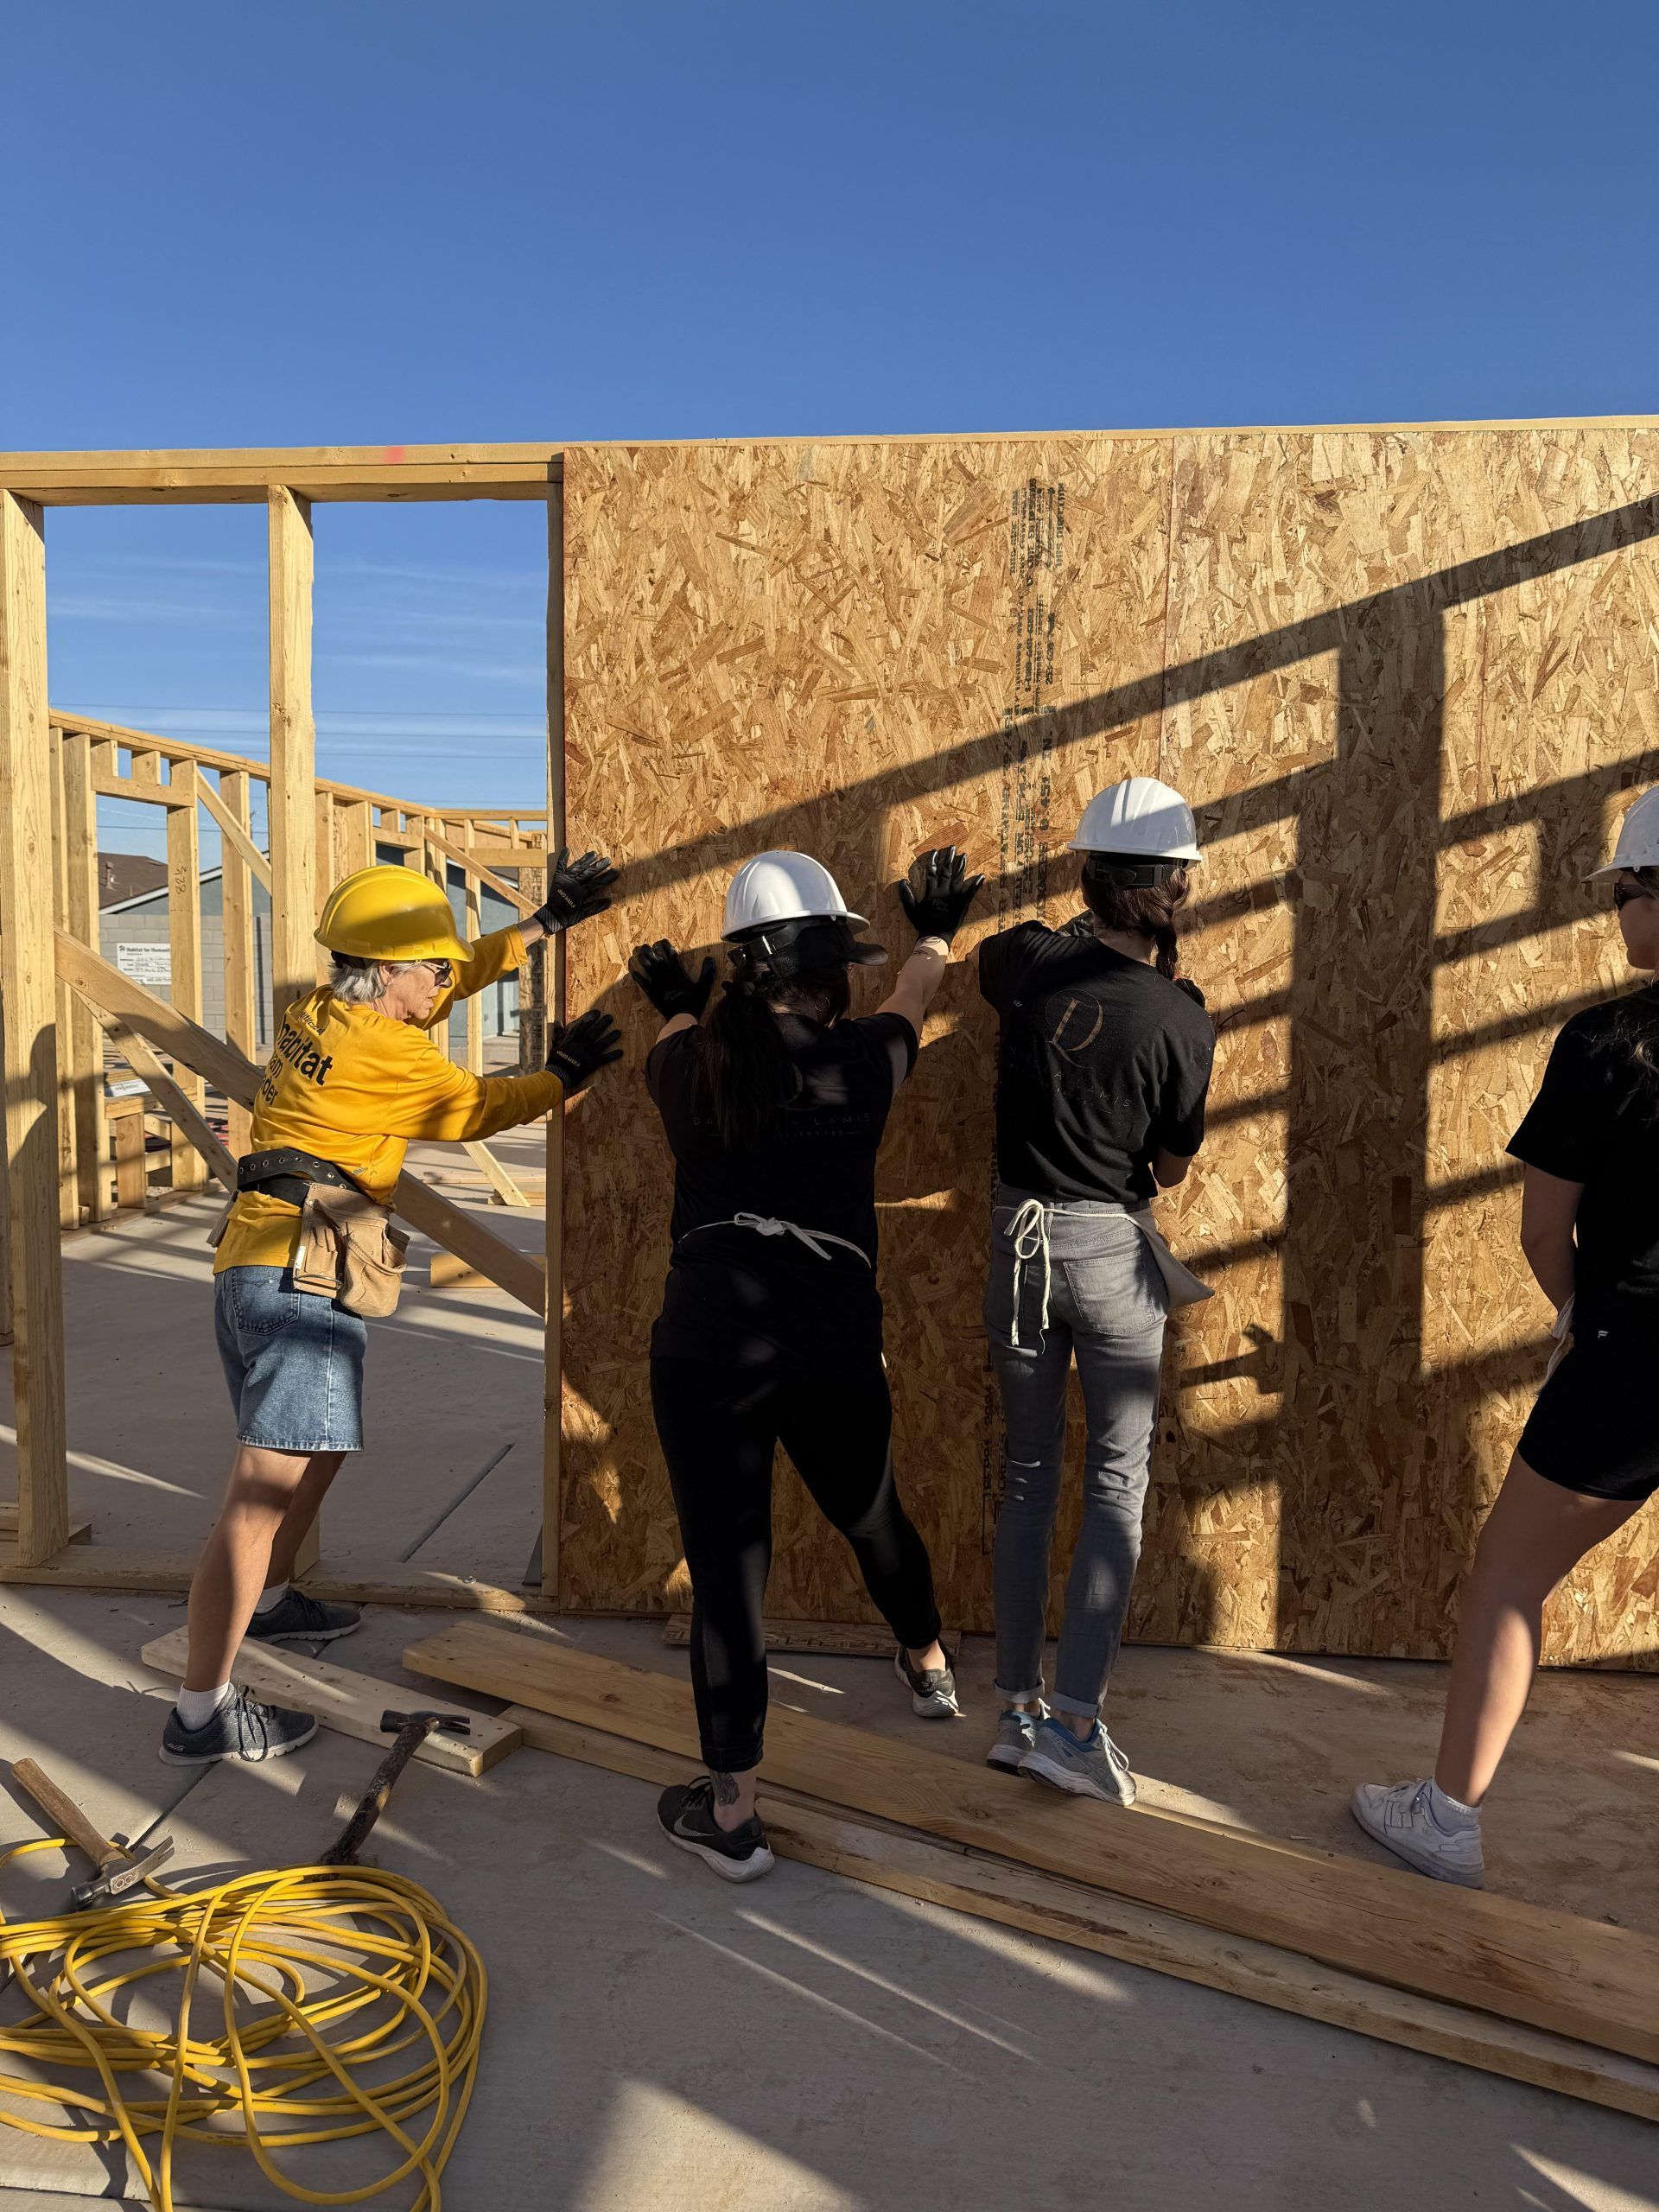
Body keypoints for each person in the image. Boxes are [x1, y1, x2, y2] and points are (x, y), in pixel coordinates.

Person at [162, 852, 621, 1766]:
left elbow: (453, 977)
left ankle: (276, 1600)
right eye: (432, 964)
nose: (446, 975)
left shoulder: (322, 1012)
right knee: (255, 1498)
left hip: (266, 1258)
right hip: (298, 1275)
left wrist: (540, 927)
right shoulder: (395, 1056)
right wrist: (563, 1076)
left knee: (321, 1449)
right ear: (387, 975)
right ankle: (199, 1712)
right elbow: (479, 1108)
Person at [631, 846, 983, 1881]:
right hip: (828, 1342)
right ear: (828, 969)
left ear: (739, 969)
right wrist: (934, 932)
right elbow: (915, 998)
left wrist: (678, 1001)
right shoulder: (863, 1062)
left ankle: (732, 1815)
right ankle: (926, 1663)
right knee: (870, 1512)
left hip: (704, 1346)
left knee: (731, 1576)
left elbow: (686, 1036)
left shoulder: (690, 1066)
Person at [1352, 790, 1659, 1886]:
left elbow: (1544, 1227)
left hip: (1632, 1354)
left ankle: (1446, 1814)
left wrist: (1579, 1314)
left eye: (1625, 891)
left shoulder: (1607, 1045)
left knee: (1508, 1575)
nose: (1616, 914)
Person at [976, 778, 1215, 1805]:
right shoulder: (1178, 1017)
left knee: (1030, 1476)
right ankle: (1074, 1729)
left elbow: (1002, 951)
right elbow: (1166, 1171)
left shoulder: (1027, 968)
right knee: (1115, 1486)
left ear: (1090, 877)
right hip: (1112, 1253)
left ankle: (1016, 1711)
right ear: (1175, 887)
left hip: (1019, 1248)